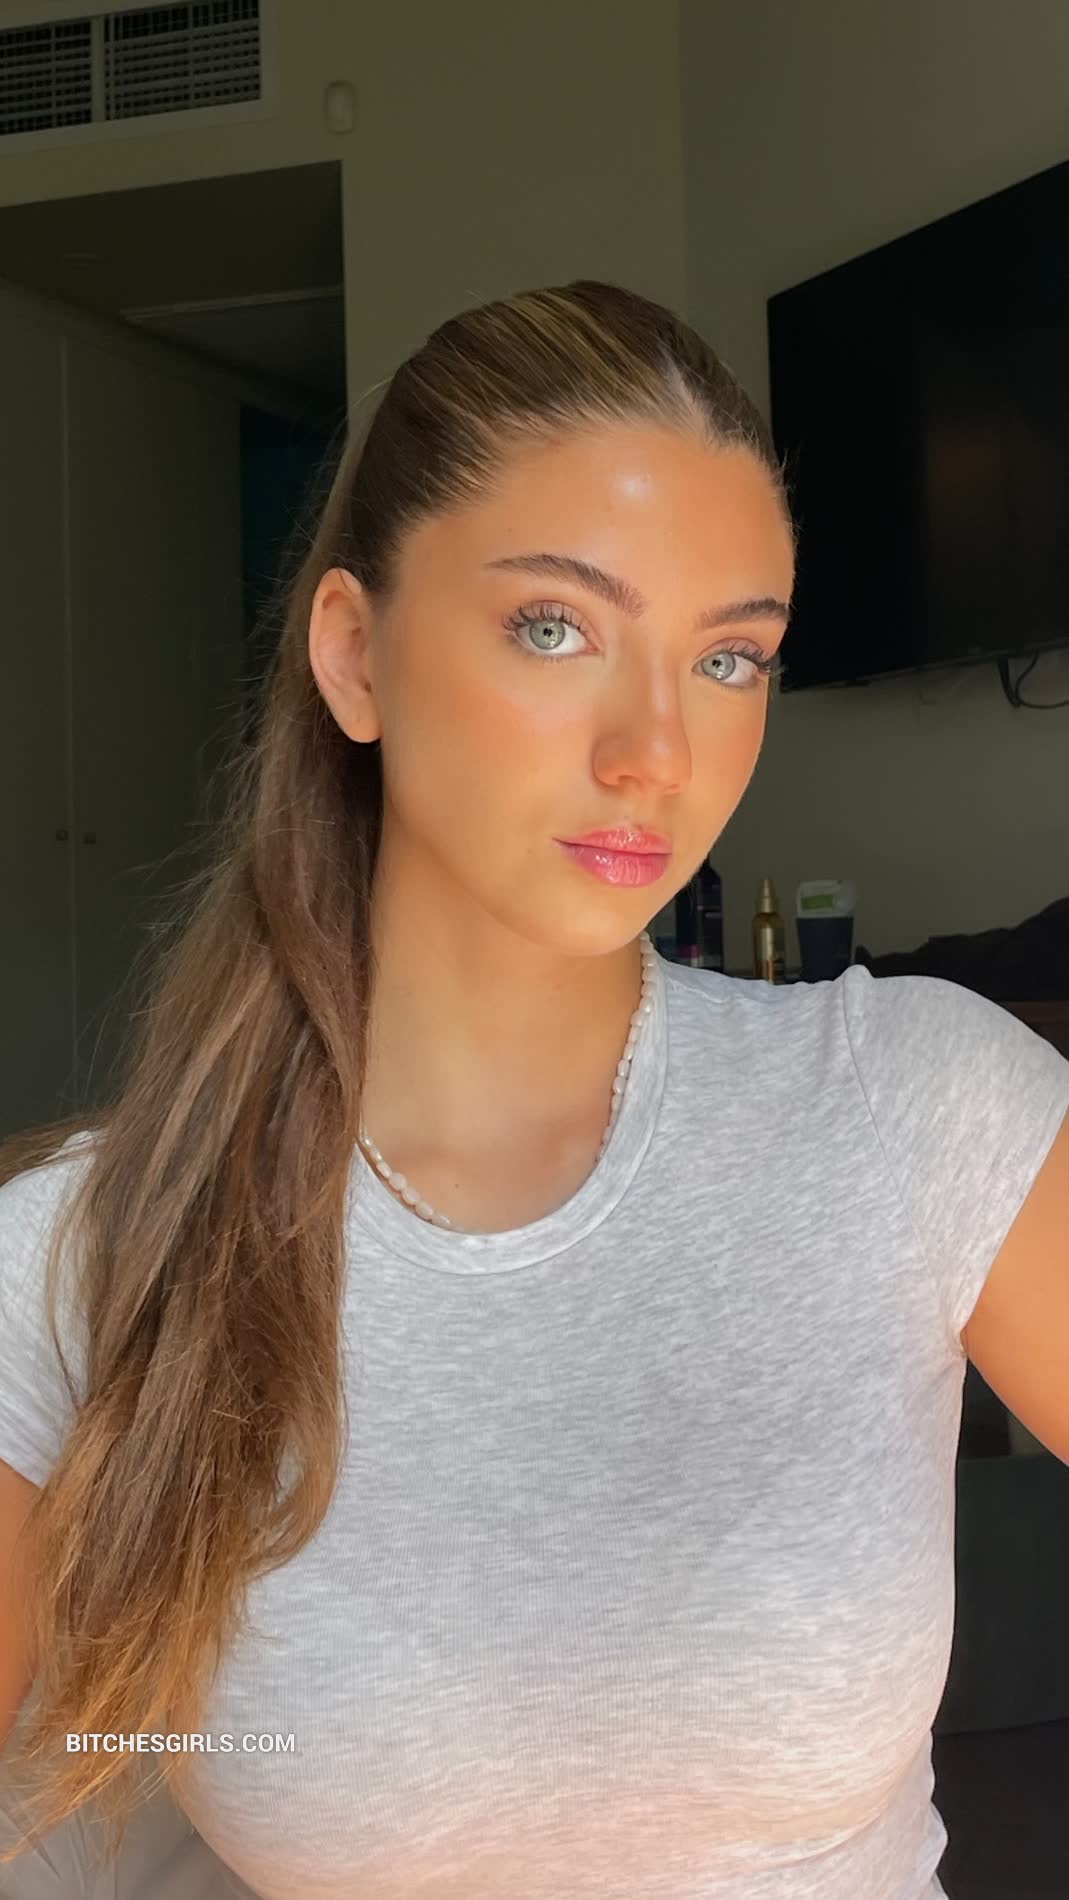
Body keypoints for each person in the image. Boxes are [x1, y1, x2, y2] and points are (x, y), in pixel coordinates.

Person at [0, 278, 1067, 1900]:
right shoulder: (82, 1260)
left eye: (730, 657)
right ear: (354, 656)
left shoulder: (914, 1109)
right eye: (554, 627)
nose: (657, 752)